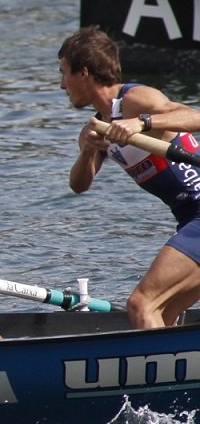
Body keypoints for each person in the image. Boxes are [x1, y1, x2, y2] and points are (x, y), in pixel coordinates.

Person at [61, 24, 200, 328]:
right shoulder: (96, 128)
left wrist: (143, 123)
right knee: (161, 314)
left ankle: (159, 371)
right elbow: (78, 186)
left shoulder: (135, 100)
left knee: (141, 304)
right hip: (189, 219)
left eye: (64, 73)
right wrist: (88, 151)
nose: (61, 85)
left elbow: (196, 117)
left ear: (83, 73)